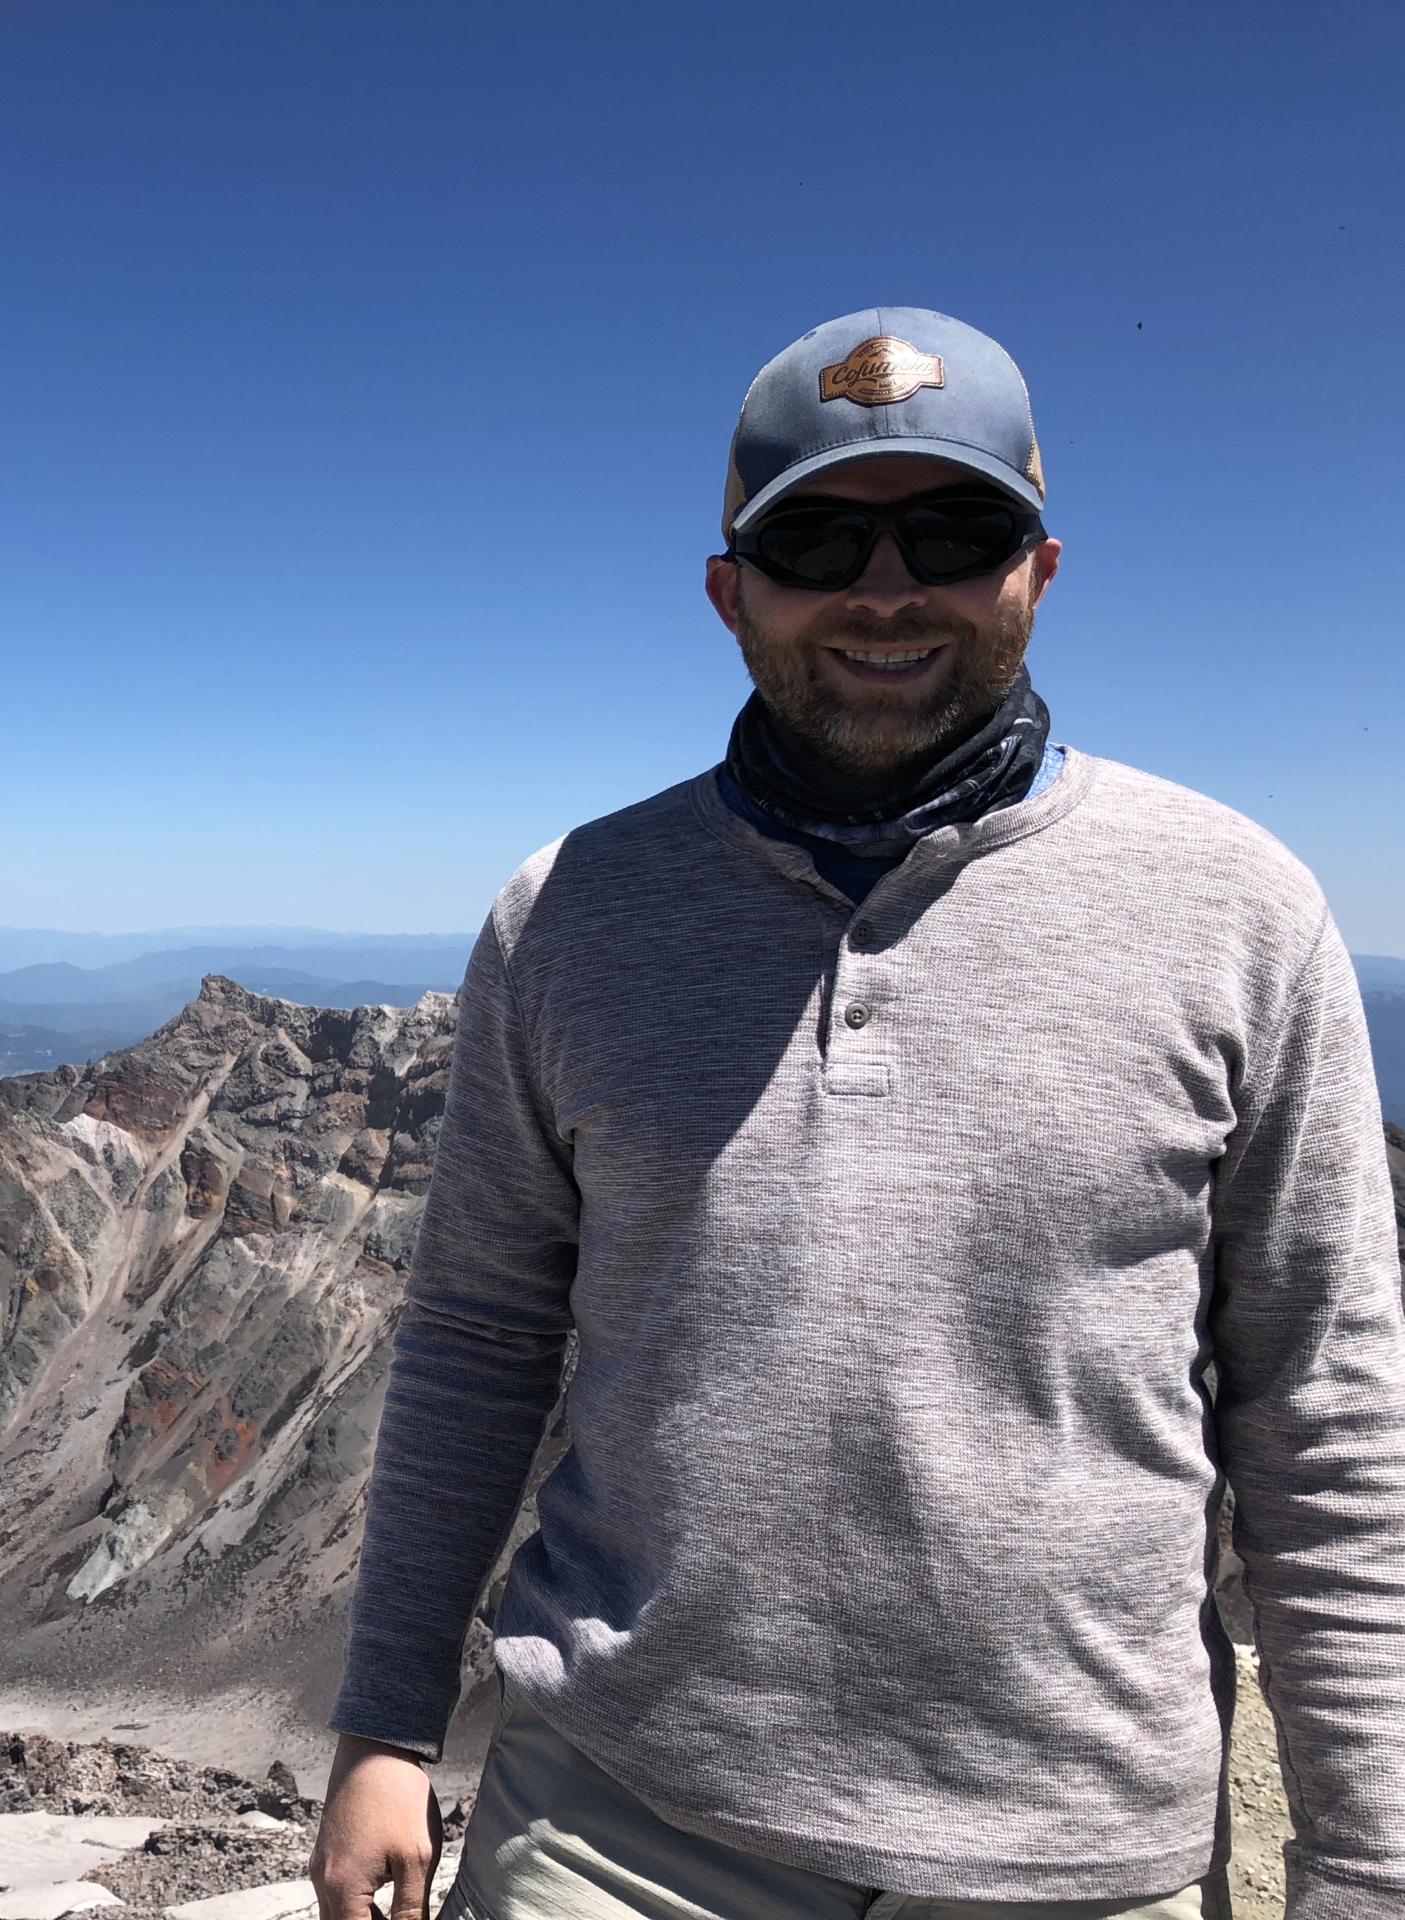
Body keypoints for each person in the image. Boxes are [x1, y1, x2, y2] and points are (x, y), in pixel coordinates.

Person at [308, 308, 1405, 1920]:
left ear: (1037, 567)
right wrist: (387, 1723)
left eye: (950, 530)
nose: (885, 588)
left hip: (1076, 1858)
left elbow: (1324, 1410)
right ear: (728, 591)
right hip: (614, 1825)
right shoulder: (568, 919)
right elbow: (477, 1335)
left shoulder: (1240, 911)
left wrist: (1368, 1866)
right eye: (819, 538)